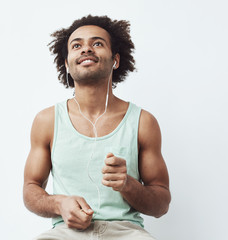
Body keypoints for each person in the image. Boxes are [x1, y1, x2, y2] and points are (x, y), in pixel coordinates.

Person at [23, 15, 171, 239]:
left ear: (116, 60)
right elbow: (30, 187)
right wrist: (60, 204)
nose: (86, 49)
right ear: (66, 63)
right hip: (66, 232)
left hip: (127, 232)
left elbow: (161, 205)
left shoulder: (143, 122)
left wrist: (128, 184)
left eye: (97, 43)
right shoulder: (47, 121)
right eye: (77, 45)